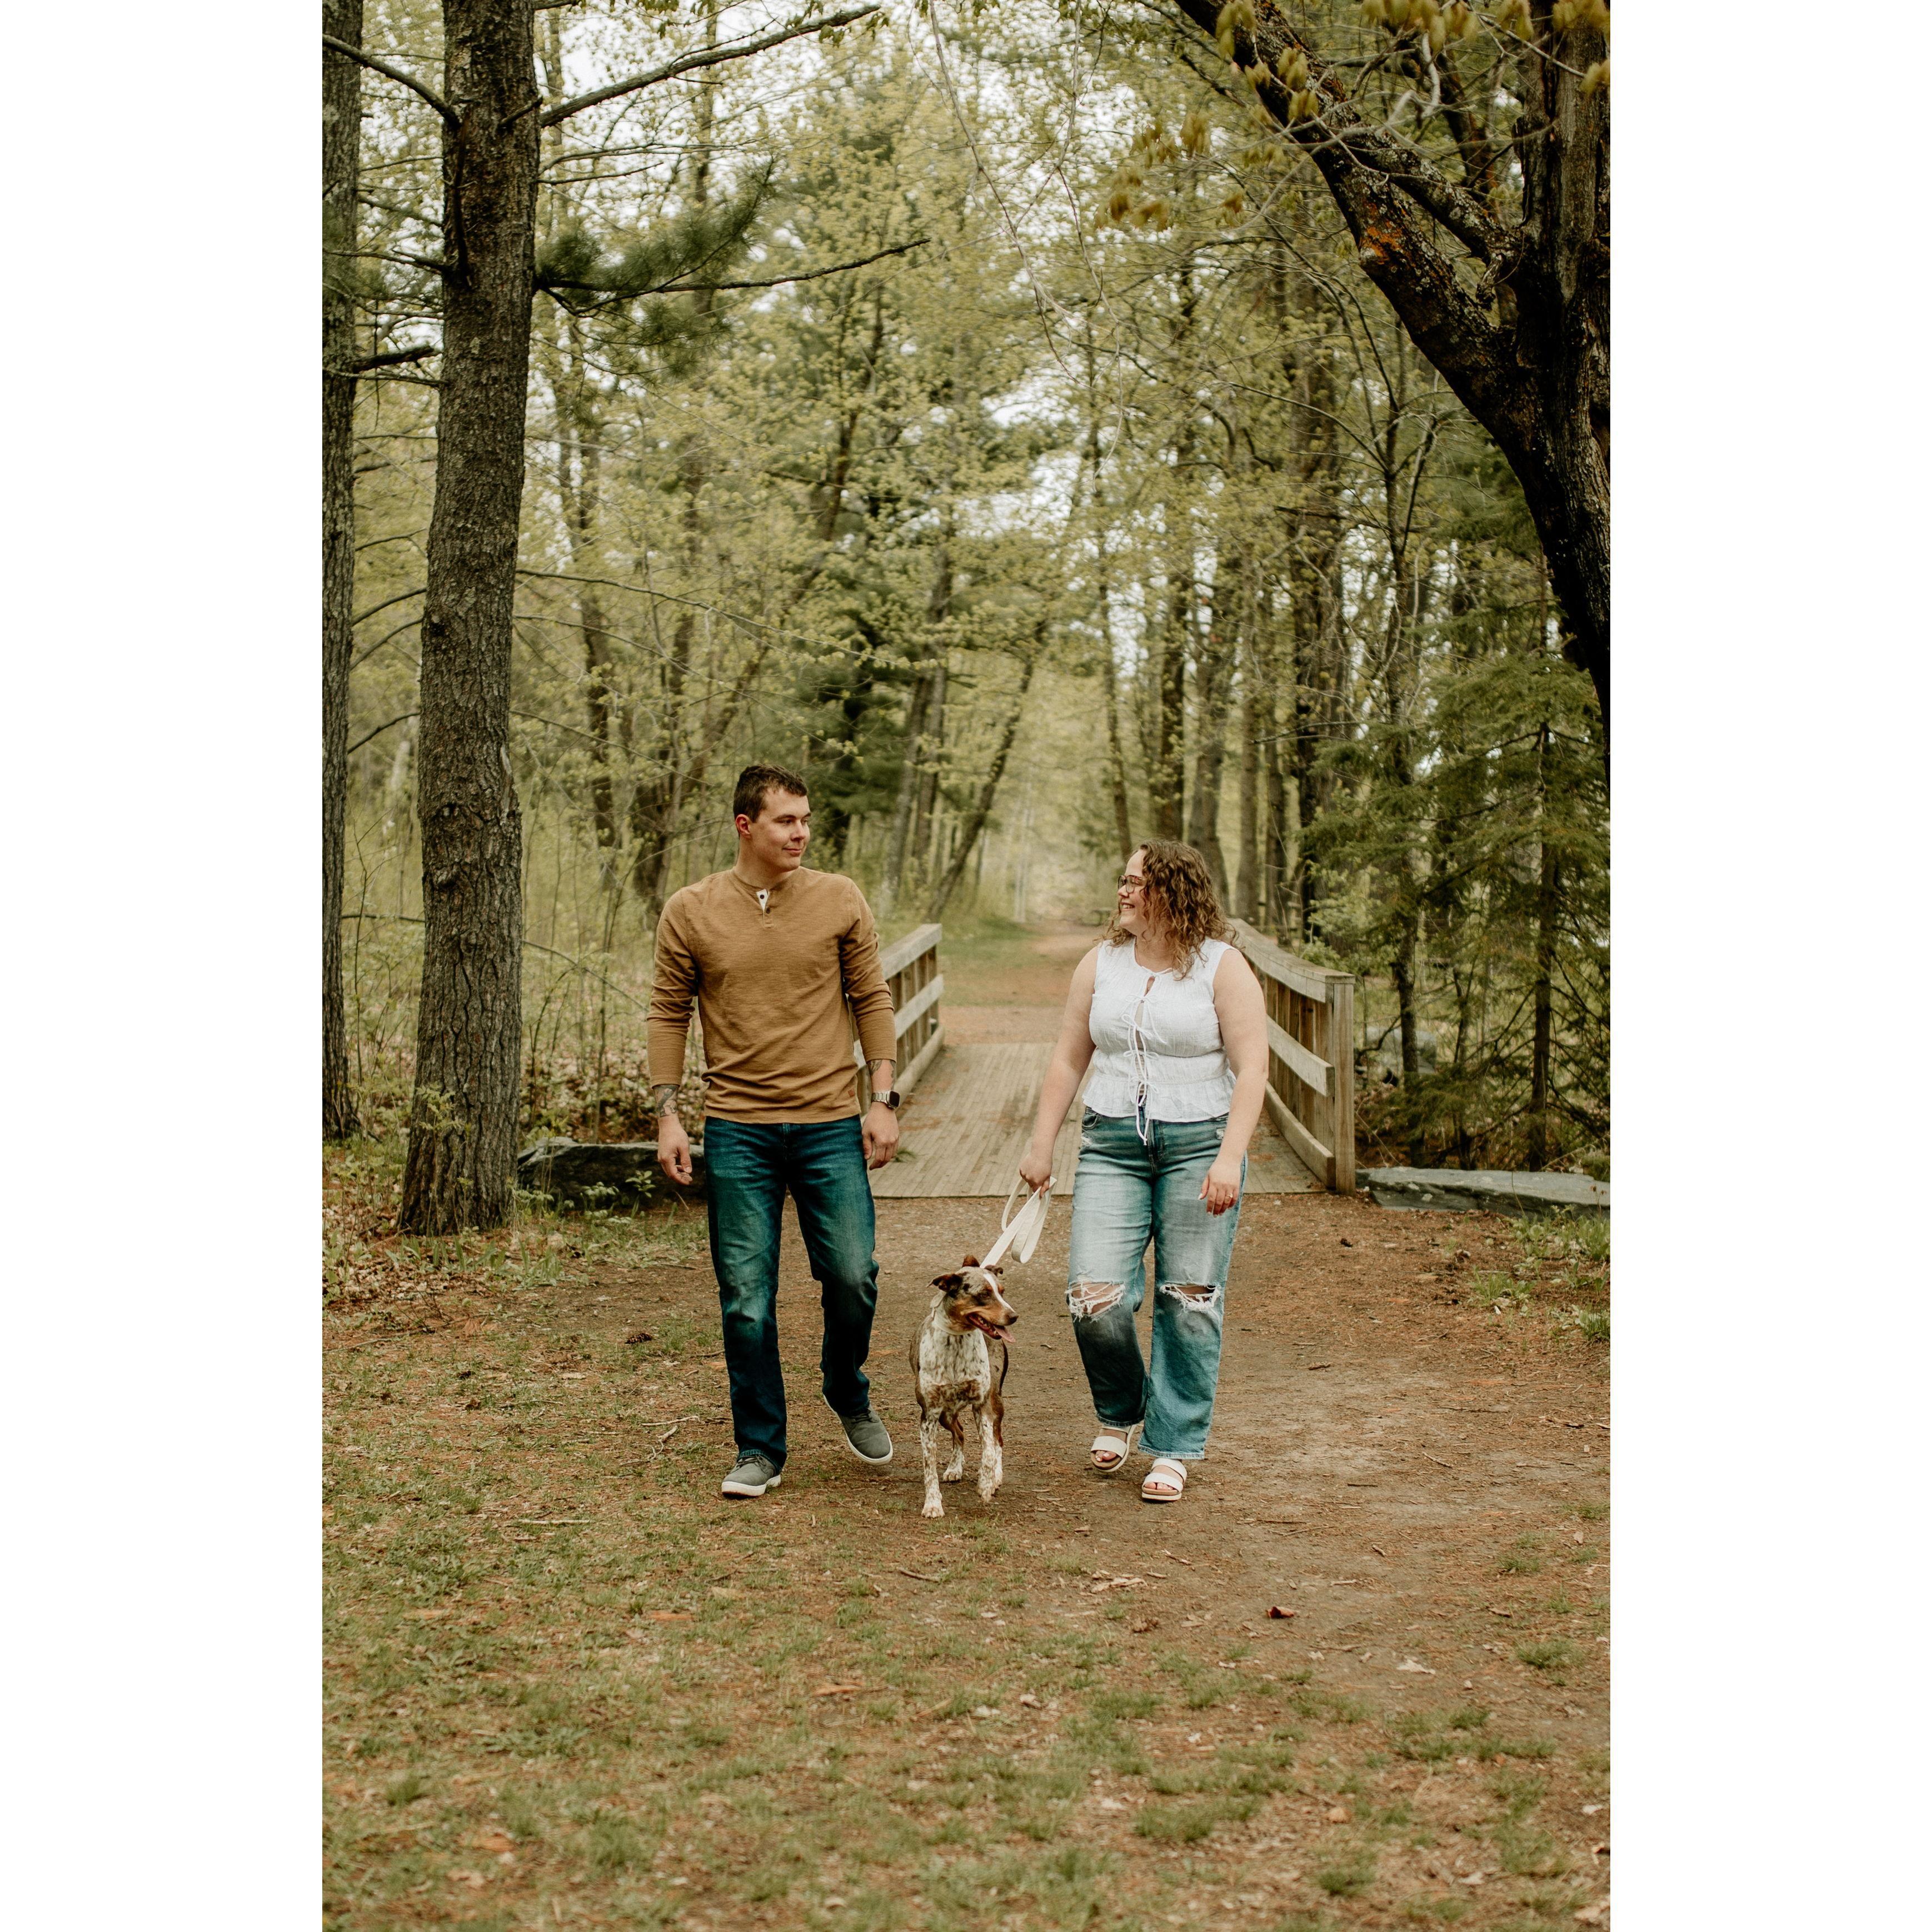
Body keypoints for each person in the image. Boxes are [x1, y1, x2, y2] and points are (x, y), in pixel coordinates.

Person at [648, 763, 903, 1500]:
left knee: (852, 1275)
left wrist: (882, 1098)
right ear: (745, 826)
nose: (801, 833)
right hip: (739, 1129)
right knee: (746, 1296)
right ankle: (759, 1445)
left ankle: (845, 1385)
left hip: (828, 1122)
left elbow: (871, 997)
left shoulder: (838, 898)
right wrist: (668, 1113)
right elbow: (668, 1012)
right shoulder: (691, 910)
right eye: (786, 820)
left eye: (806, 820)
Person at [1017, 841, 1268, 1504]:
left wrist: (1229, 1158)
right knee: (1092, 1298)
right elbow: (1069, 1058)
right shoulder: (1100, 963)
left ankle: (1174, 1445)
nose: (1123, 892)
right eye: (1123, 881)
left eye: (1136, 882)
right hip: (1112, 1145)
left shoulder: (1223, 967)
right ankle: (1125, 1408)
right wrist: (1041, 1146)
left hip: (1199, 1144)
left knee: (1190, 1299)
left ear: (1172, 893)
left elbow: (1253, 1069)